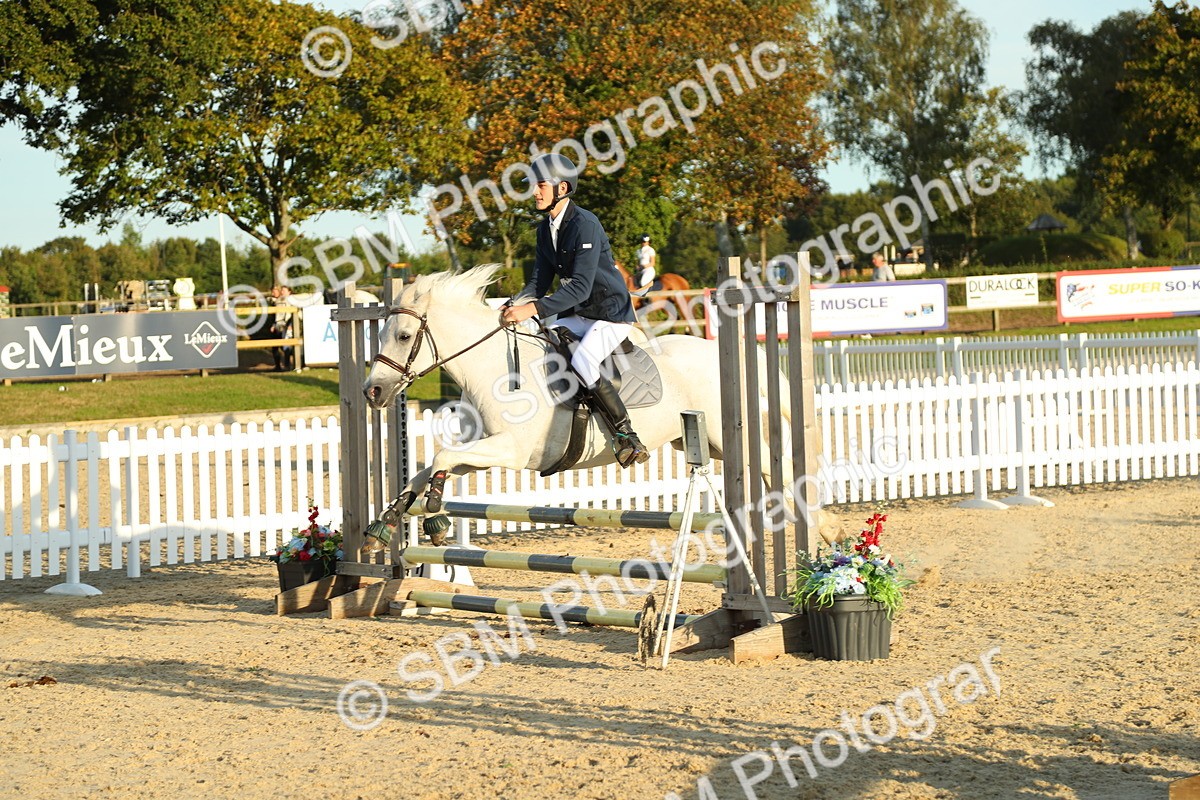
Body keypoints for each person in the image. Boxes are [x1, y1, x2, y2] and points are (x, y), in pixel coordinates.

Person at [501, 154, 650, 467]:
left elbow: (580, 287)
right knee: (545, 342)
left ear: (562, 187)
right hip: (581, 314)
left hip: (610, 312)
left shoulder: (585, 224)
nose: (534, 192)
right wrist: (516, 303)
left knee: (583, 358)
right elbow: (539, 282)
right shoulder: (545, 230)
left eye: (541, 185)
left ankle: (627, 435)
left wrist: (533, 309)